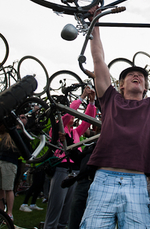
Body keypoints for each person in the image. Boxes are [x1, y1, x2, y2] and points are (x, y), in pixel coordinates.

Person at [78, 11, 150, 228]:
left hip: (137, 182)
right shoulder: (110, 98)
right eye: (130, 74)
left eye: (140, 75)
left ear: (146, 86)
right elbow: (98, 59)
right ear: (121, 84)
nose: (136, 75)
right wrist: (95, 24)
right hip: (104, 178)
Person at [43, 86, 97, 229]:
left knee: (67, 211)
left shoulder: (76, 132)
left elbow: (88, 120)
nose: (73, 116)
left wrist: (92, 103)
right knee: (56, 206)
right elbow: (66, 115)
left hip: (76, 172)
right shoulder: (57, 129)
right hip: (62, 169)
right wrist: (82, 97)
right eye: (71, 115)